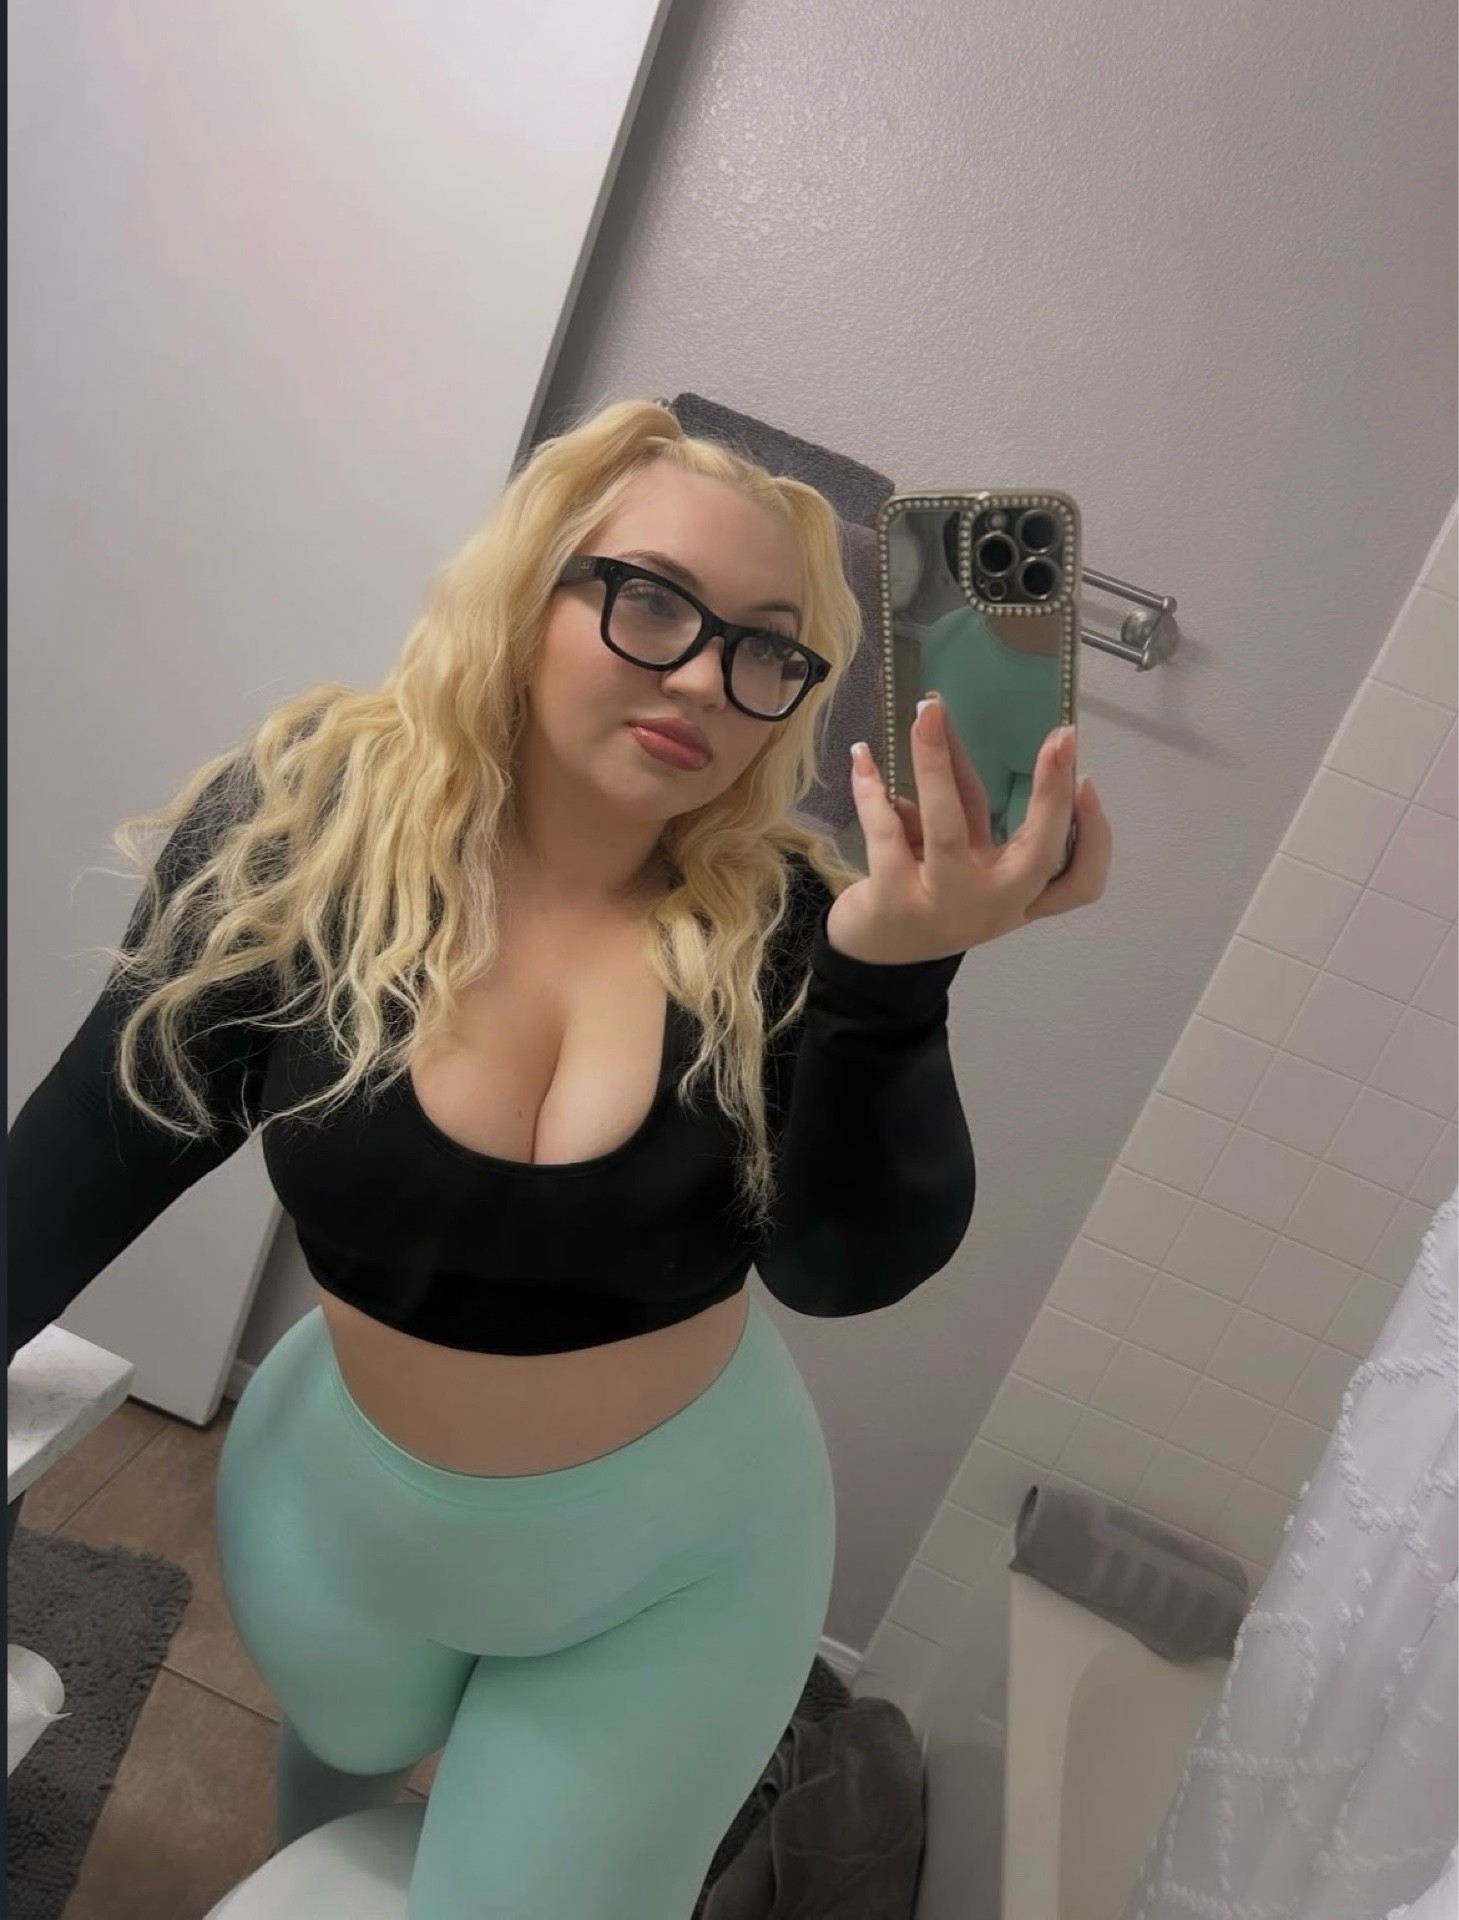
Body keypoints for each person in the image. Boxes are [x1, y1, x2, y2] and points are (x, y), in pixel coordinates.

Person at [6, 399, 1110, 1918]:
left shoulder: (790, 930)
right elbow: (93, 1151)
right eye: (652, 602)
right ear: (530, 586)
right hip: (341, 1516)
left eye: (766, 650)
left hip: (679, 1569)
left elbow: (843, 1269)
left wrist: (897, 977)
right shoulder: (303, 841)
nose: (705, 678)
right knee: (331, 1804)